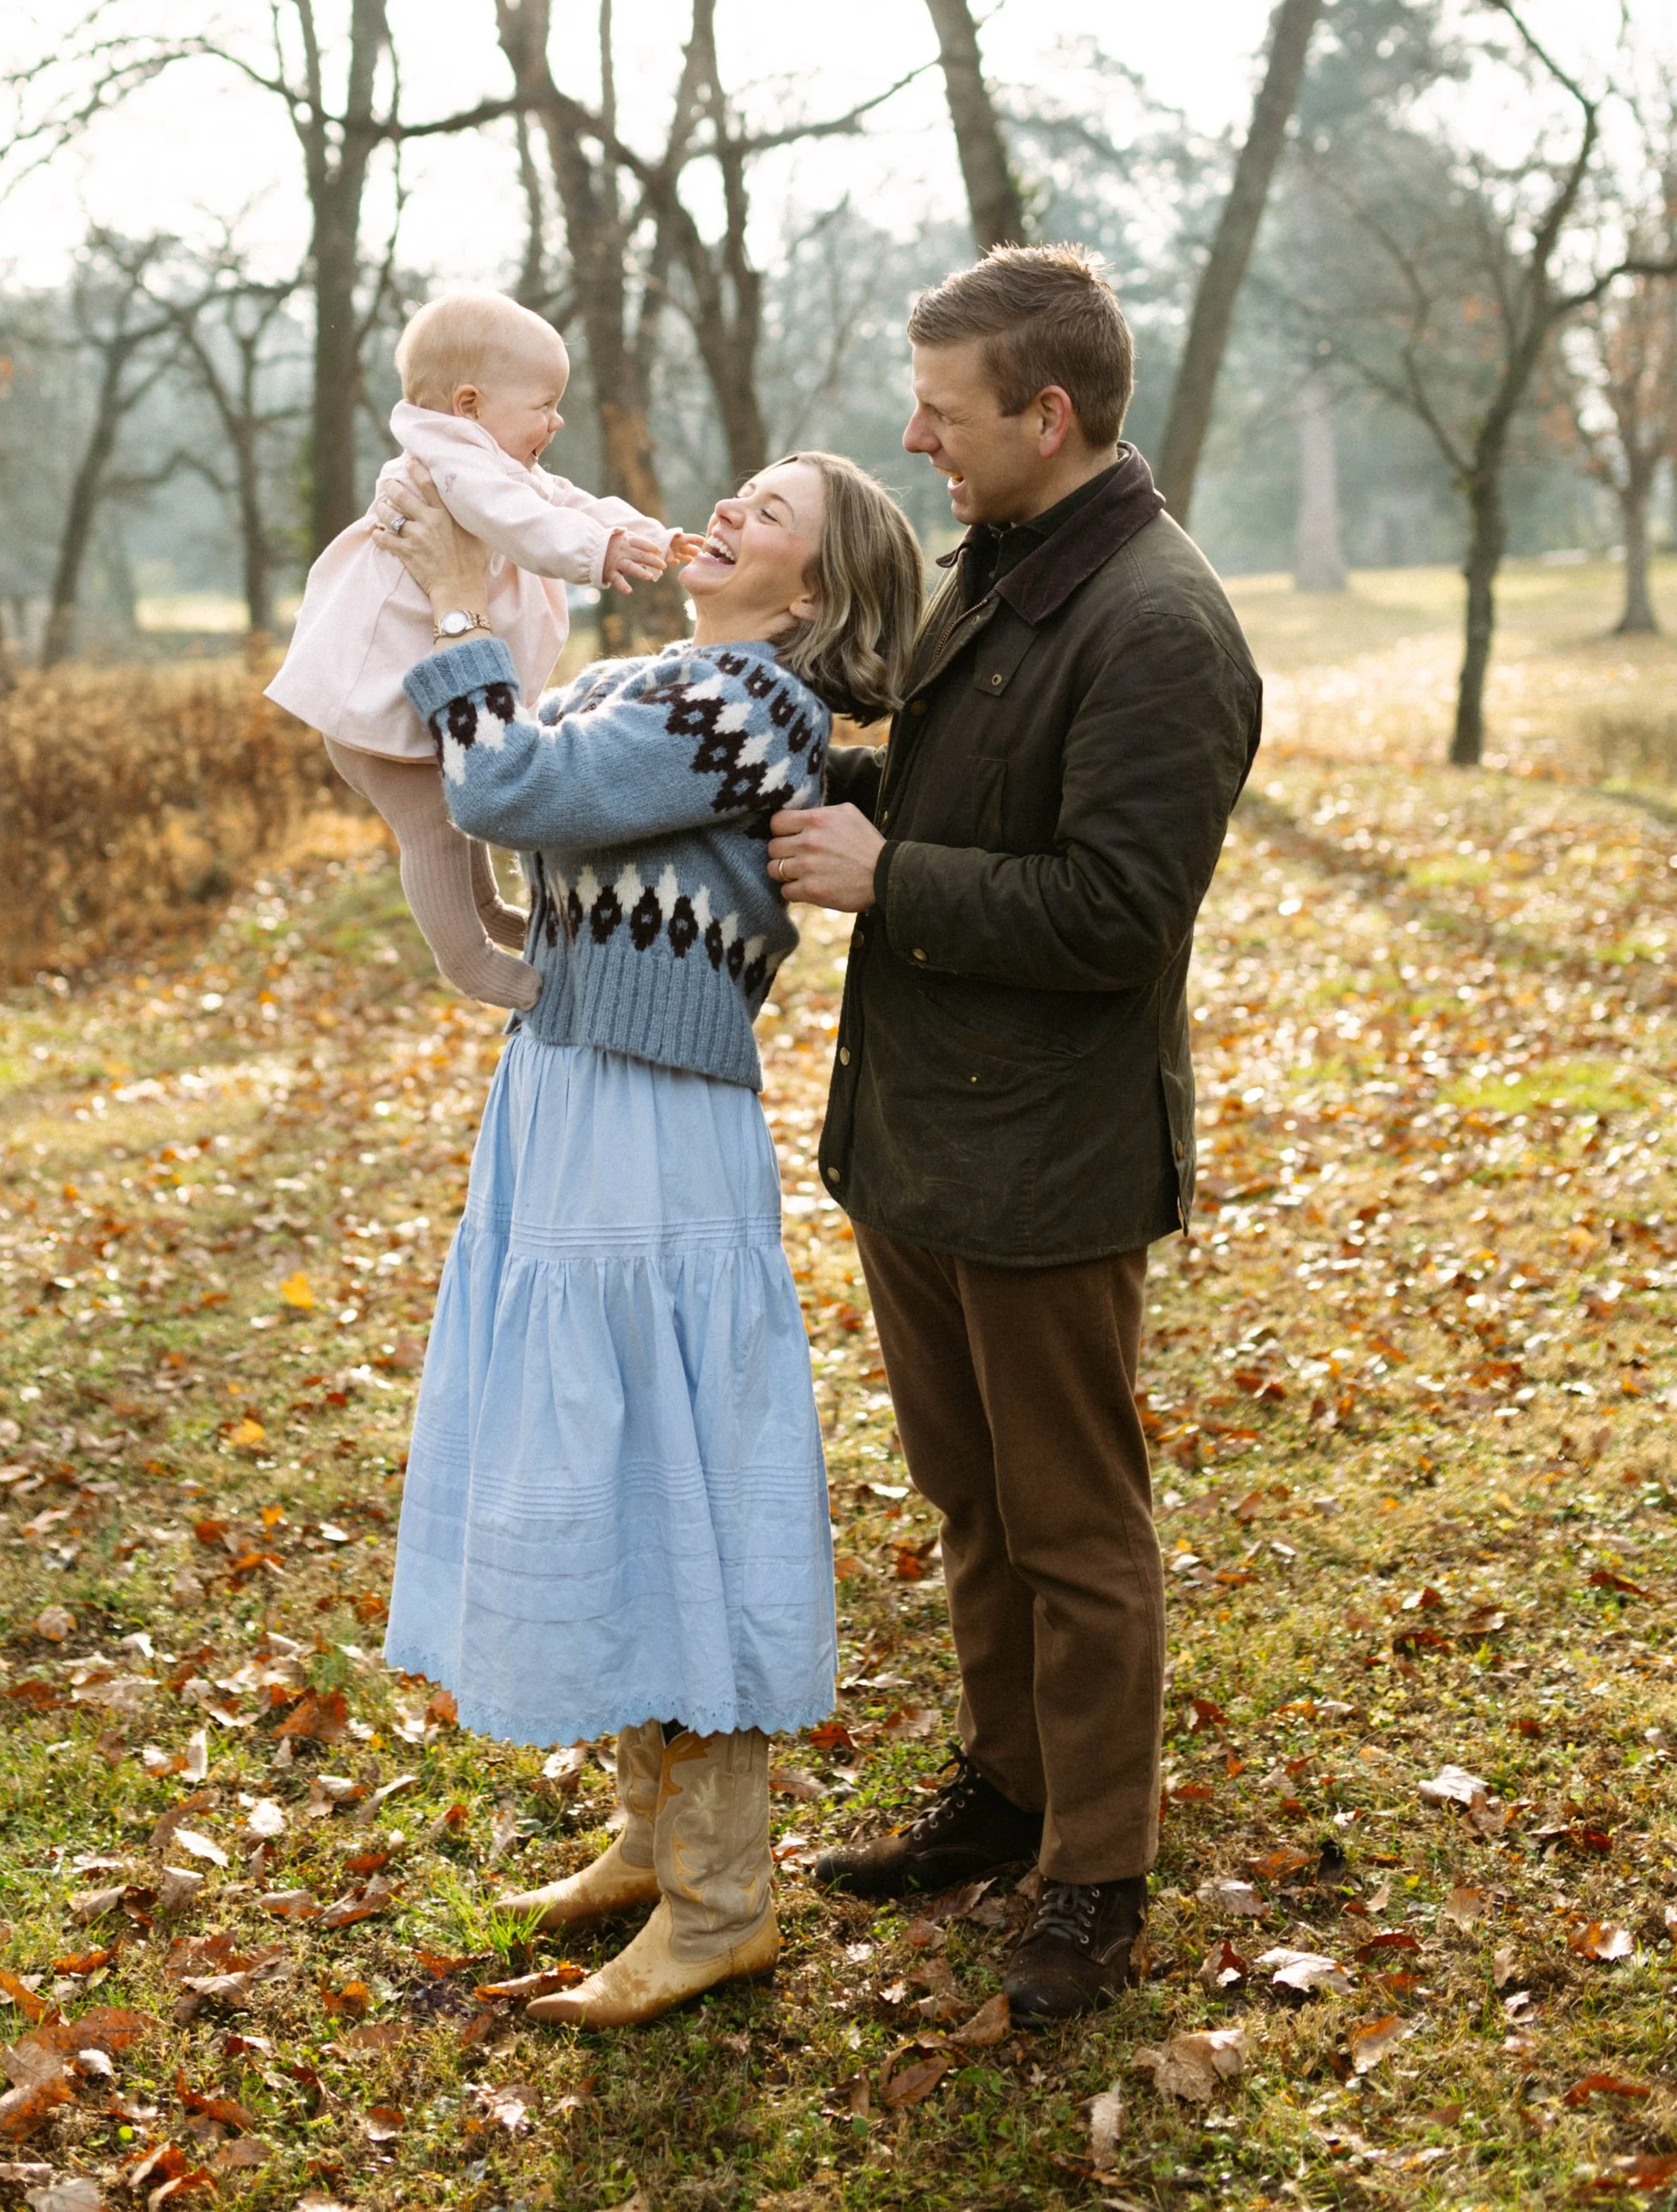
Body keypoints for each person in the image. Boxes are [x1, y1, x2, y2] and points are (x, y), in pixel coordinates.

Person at [766, 245, 1262, 2023]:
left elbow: (1116, 910)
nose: (912, 440)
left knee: (1070, 1522)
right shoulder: (1003, 561)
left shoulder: (1159, 623)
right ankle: (1003, 1787)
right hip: (917, 1131)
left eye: (943, 410)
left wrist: (890, 877)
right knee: (967, 1495)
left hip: (1046, 1159)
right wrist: (818, 786)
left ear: (1046, 417)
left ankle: (1093, 1878)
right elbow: (958, 791)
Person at [373, 448, 926, 2029]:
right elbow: (514, 761)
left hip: (655, 1122)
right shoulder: (668, 673)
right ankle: (648, 1834)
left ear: (809, 590)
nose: (728, 511)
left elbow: (510, 788)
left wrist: (461, 605)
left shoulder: (756, 706)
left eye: (771, 514)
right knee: (604, 1453)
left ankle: (724, 1903)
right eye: (736, 491)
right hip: (569, 1093)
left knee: (664, 1467)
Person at [265, 290, 684, 1010]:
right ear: (469, 404)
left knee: (457, 812)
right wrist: (597, 552)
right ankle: (467, 961)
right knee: (430, 826)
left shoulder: (483, 461)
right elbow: (527, 522)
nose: (556, 421)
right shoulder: (449, 469)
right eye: (545, 405)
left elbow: (562, 499)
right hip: (372, 713)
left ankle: (488, 913)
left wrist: (637, 531)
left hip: (400, 704)